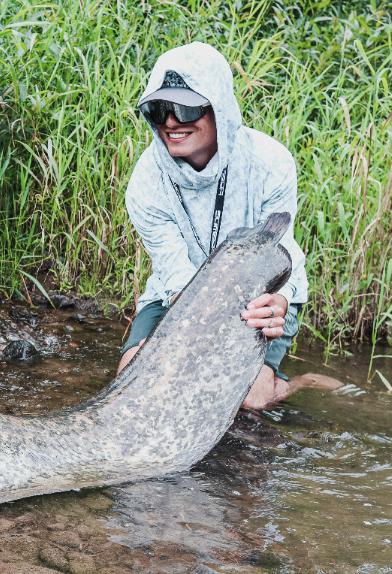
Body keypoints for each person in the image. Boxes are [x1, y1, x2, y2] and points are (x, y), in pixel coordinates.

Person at [117, 42, 334, 410]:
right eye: (159, 109)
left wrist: (280, 301)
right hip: (181, 296)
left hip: (259, 294)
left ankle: (295, 383)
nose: (170, 122)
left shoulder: (270, 162)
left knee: (250, 399)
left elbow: (282, 256)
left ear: (219, 108)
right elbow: (177, 278)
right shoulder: (145, 182)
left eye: (185, 109)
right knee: (133, 385)